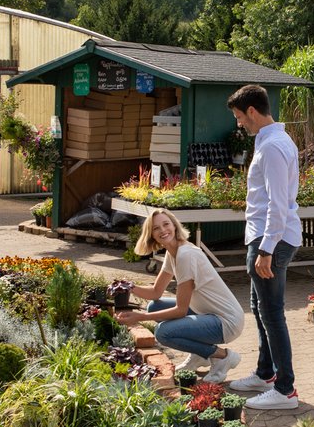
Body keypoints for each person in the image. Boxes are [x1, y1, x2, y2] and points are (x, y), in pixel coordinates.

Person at [225, 84, 302, 410]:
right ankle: (264, 373)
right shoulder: (275, 141)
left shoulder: (272, 147)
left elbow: (277, 204)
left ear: (253, 111)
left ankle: (285, 390)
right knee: (260, 308)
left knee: (271, 313)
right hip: (270, 236)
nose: (239, 123)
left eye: (240, 117)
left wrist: (266, 249)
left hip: (271, 239)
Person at [114, 208, 243, 384]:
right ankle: (200, 355)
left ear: (174, 226)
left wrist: (141, 317)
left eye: (166, 224)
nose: (162, 230)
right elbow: (156, 293)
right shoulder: (172, 252)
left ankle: (223, 357)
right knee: (155, 306)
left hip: (226, 322)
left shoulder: (185, 255)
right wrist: (128, 286)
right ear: (151, 234)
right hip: (207, 312)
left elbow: (181, 310)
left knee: (164, 333)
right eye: (156, 228)